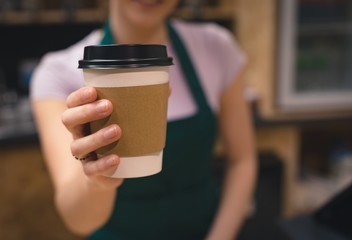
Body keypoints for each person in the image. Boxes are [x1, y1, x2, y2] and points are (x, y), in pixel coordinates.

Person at [30, 0, 257, 239]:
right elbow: (78, 221)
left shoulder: (216, 47)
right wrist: (97, 181)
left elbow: (242, 161)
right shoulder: (58, 72)